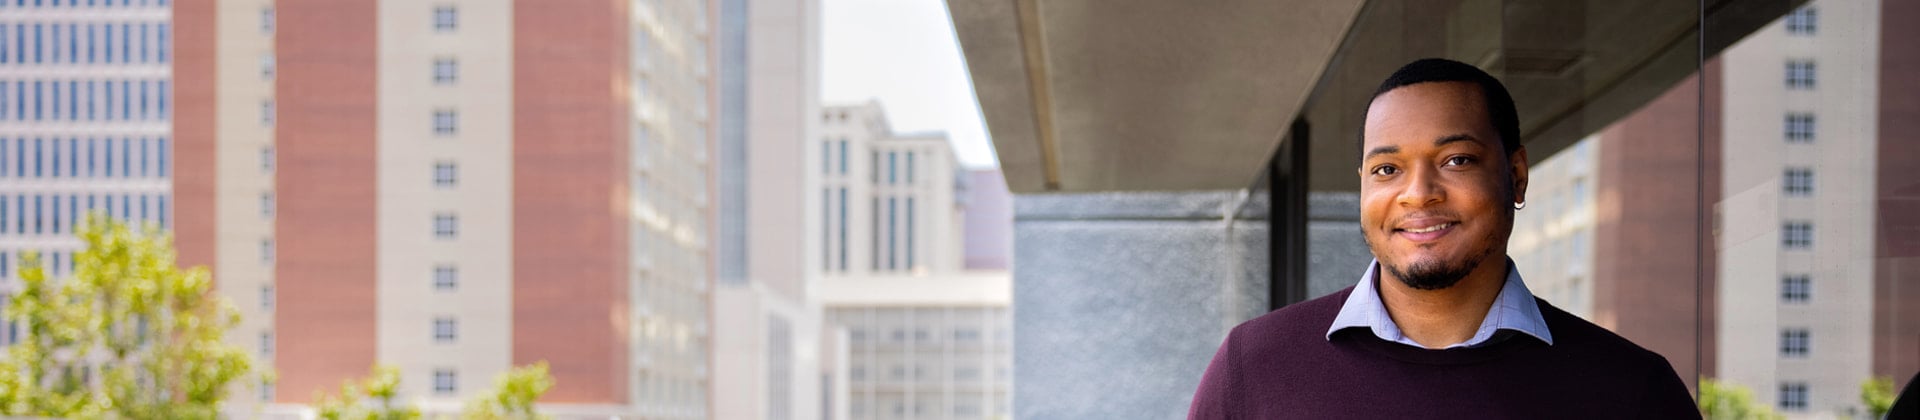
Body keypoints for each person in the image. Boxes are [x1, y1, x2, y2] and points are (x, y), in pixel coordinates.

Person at [1186, 58, 1699, 419]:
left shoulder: (1632, 391)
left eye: (1457, 160)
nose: (1418, 194)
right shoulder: (1255, 366)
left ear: (1516, 174)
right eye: (1387, 168)